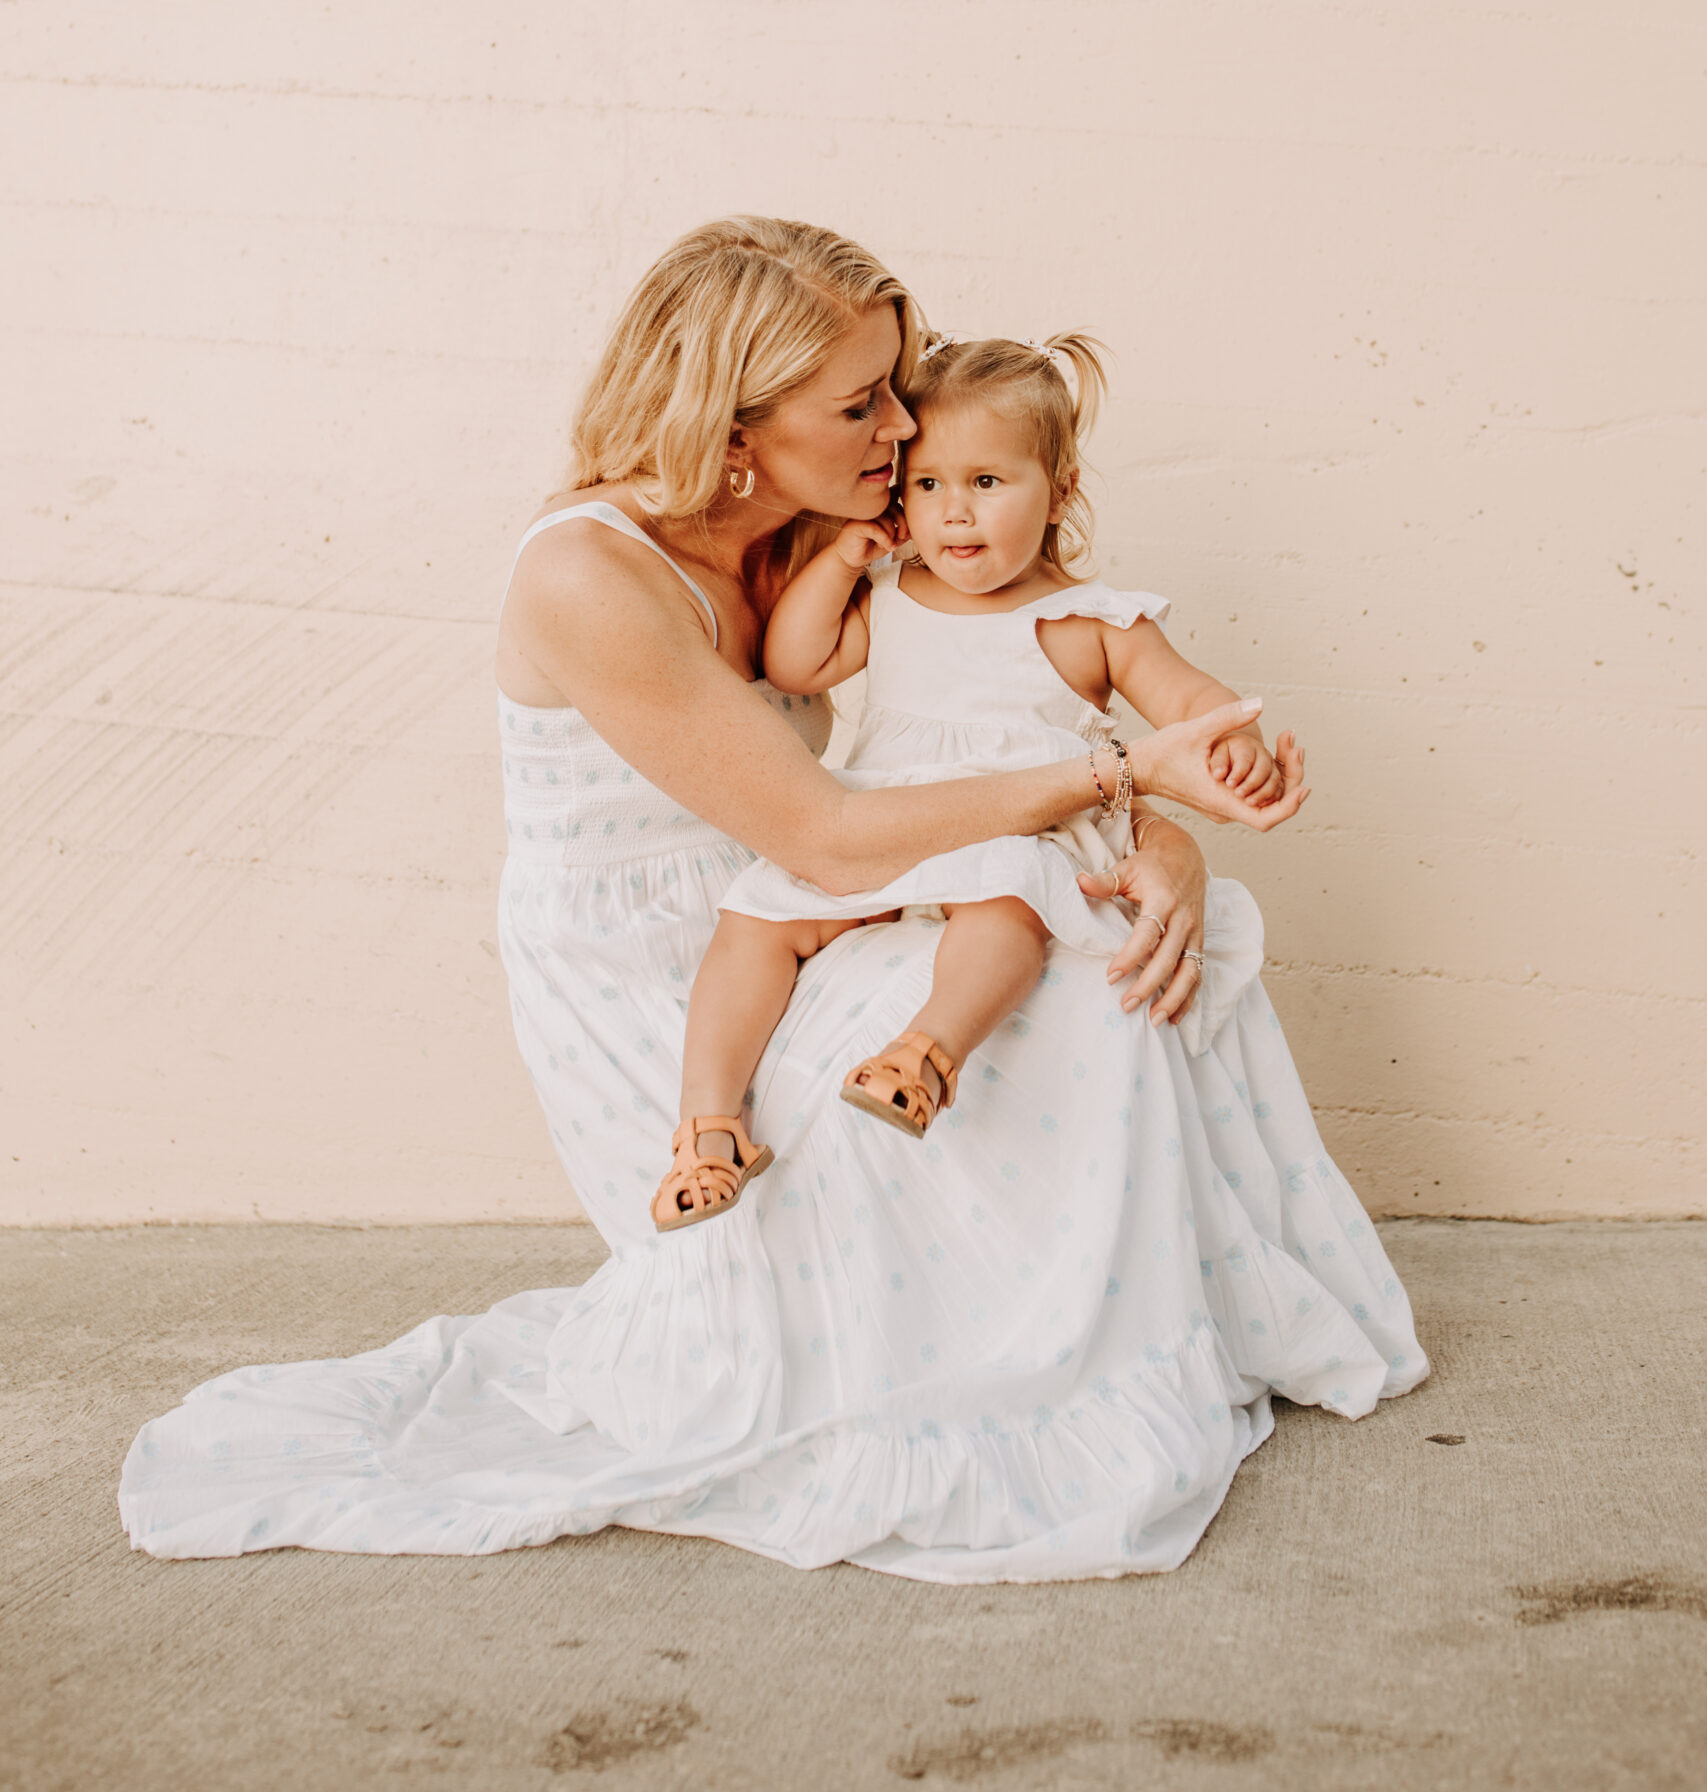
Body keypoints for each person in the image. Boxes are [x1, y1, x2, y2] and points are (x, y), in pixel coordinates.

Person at [120, 217, 1426, 1582]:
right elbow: (830, 825)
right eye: (860, 402)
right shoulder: (587, 571)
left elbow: (1003, 706)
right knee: (1005, 1031)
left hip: (854, 880)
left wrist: (1161, 842)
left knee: (1099, 984)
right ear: (730, 419)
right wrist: (1112, 779)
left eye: (897, 385)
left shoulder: (852, 522)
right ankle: (846, 1234)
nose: (900, 427)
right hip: (672, 948)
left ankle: (1106, 1328)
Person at [654, 329, 1300, 1233]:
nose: (954, 513)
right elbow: (795, 665)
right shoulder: (889, 594)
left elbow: (1184, 694)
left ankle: (924, 1056)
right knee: (755, 920)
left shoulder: (1091, 621)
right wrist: (844, 558)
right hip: (892, 825)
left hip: (1014, 834)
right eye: (927, 485)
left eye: (986, 484)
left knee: (1010, 910)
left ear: (1058, 491)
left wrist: (1233, 738)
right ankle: (708, 1127)